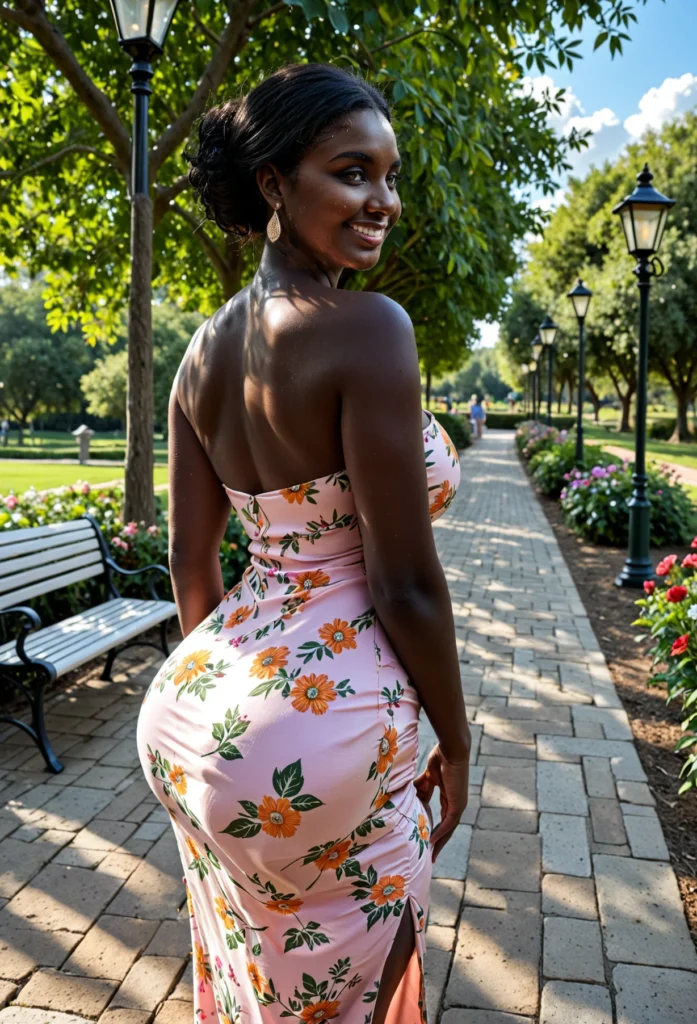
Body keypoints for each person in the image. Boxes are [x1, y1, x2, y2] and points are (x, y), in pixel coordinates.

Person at [137, 64, 470, 1024]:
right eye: (352, 173)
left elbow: (191, 563)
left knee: (253, 974)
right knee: (352, 993)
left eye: (389, 176)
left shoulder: (201, 353)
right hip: (325, 739)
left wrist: (229, 716)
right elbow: (404, 584)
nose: (383, 201)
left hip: (192, 722)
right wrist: (454, 744)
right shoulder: (368, 328)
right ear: (273, 183)